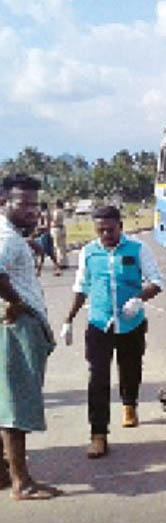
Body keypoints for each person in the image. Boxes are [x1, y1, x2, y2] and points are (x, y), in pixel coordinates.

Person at [62, 206, 164, 458]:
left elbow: (156, 281)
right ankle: (99, 435)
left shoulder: (138, 249)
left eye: (110, 229)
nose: (106, 234)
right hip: (99, 323)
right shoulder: (88, 252)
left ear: (121, 226)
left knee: (130, 369)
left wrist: (139, 299)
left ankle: (130, 404)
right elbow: (81, 287)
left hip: (131, 323)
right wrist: (68, 320)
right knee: (98, 378)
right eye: (100, 230)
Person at [0, 173, 61, 500]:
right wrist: (16, 301)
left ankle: (3, 473)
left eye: (35, 204)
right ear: (3, 202)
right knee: (16, 404)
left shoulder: (9, 235)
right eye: (23, 204)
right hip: (16, 328)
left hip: (12, 324)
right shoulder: (7, 239)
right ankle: (21, 482)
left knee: (5, 400)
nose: (32, 211)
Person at [34, 201, 58, 276]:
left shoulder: (45, 214)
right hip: (45, 234)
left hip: (44, 235)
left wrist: (38, 228)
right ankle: (57, 268)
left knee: (42, 253)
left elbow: (46, 226)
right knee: (49, 253)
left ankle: (39, 270)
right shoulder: (44, 214)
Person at [50, 199, 68, 271]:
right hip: (62, 228)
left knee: (57, 246)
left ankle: (60, 262)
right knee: (63, 246)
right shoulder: (62, 211)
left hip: (56, 228)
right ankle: (64, 262)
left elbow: (55, 220)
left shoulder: (56, 212)